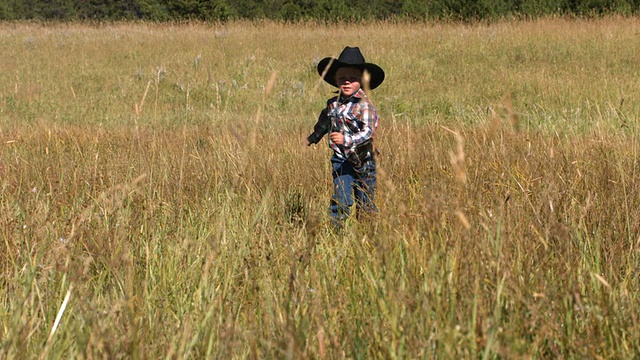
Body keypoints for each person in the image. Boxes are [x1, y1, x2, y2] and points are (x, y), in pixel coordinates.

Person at [307, 46, 385, 229]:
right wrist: (313, 137)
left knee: (365, 200)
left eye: (353, 78)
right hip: (341, 160)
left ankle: (368, 235)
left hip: (365, 160)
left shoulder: (365, 106)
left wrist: (346, 140)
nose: (347, 82)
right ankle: (336, 232)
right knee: (341, 197)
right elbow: (325, 121)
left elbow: (368, 132)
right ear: (335, 80)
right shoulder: (333, 104)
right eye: (342, 78)